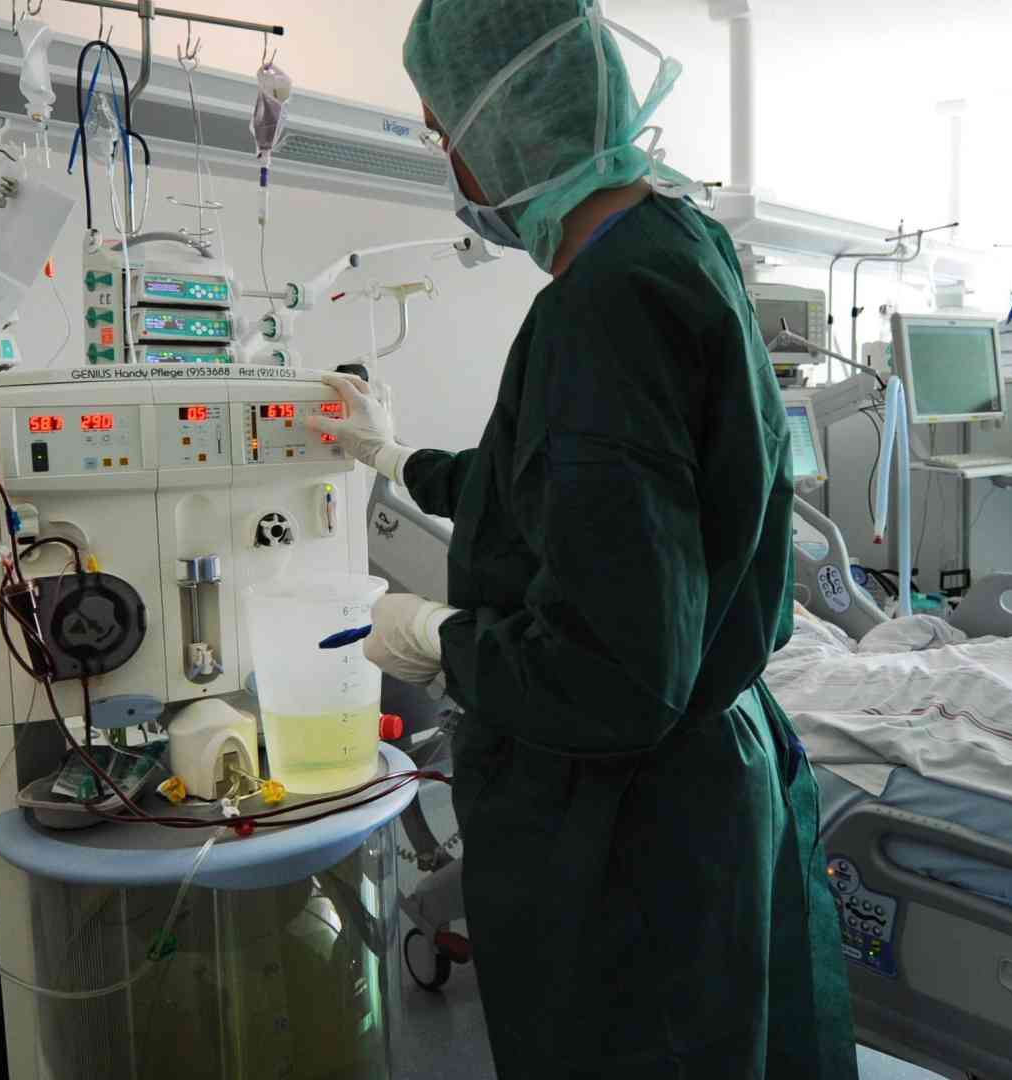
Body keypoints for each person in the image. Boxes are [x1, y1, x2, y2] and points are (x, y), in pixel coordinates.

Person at [302, 3, 858, 1076]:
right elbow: (557, 485)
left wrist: (438, 636)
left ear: (504, 127)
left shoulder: (600, 312)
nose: (449, 166)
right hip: (703, 781)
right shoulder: (678, 246)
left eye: (442, 134)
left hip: (634, 829)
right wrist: (395, 456)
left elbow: (611, 675)